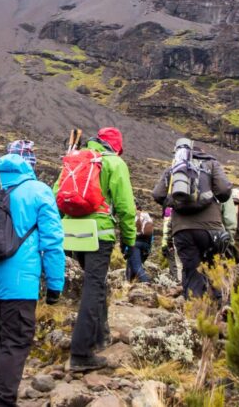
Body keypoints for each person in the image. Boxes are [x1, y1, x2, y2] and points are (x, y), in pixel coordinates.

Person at [0, 150, 65, 407]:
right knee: (16, 341)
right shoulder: (38, 191)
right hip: (20, 283)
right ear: (28, 167)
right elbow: (52, 243)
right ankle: (2, 400)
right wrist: (55, 283)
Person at [57, 127, 136, 372]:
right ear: (116, 146)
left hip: (69, 234)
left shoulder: (75, 159)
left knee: (96, 285)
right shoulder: (114, 163)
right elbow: (125, 207)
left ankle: (100, 336)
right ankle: (81, 353)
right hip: (98, 233)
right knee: (93, 287)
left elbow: (56, 195)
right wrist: (129, 240)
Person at [152, 144, 232, 299]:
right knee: (214, 268)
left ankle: (194, 314)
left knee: (191, 272)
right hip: (211, 229)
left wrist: (173, 203)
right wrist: (209, 196)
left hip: (183, 230)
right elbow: (224, 191)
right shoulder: (211, 164)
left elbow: (157, 194)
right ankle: (221, 311)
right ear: (201, 153)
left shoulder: (175, 167)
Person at [124, 211, 153, 283]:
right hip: (145, 245)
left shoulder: (131, 216)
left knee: (137, 267)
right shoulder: (147, 215)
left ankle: (147, 284)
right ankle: (128, 285)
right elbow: (151, 234)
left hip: (134, 244)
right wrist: (148, 247)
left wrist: (126, 249)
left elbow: (128, 235)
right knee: (131, 267)